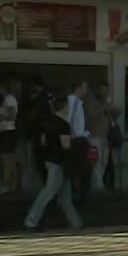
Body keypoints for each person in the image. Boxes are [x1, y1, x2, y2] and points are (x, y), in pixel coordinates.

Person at [21, 96, 82, 232]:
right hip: (60, 162)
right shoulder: (63, 125)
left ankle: (76, 222)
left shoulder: (47, 123)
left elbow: (42, 143)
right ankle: (31, 220)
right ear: (65, 107)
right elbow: (65, 146)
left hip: (49, 160)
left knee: (64, 196)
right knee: (49, 191)